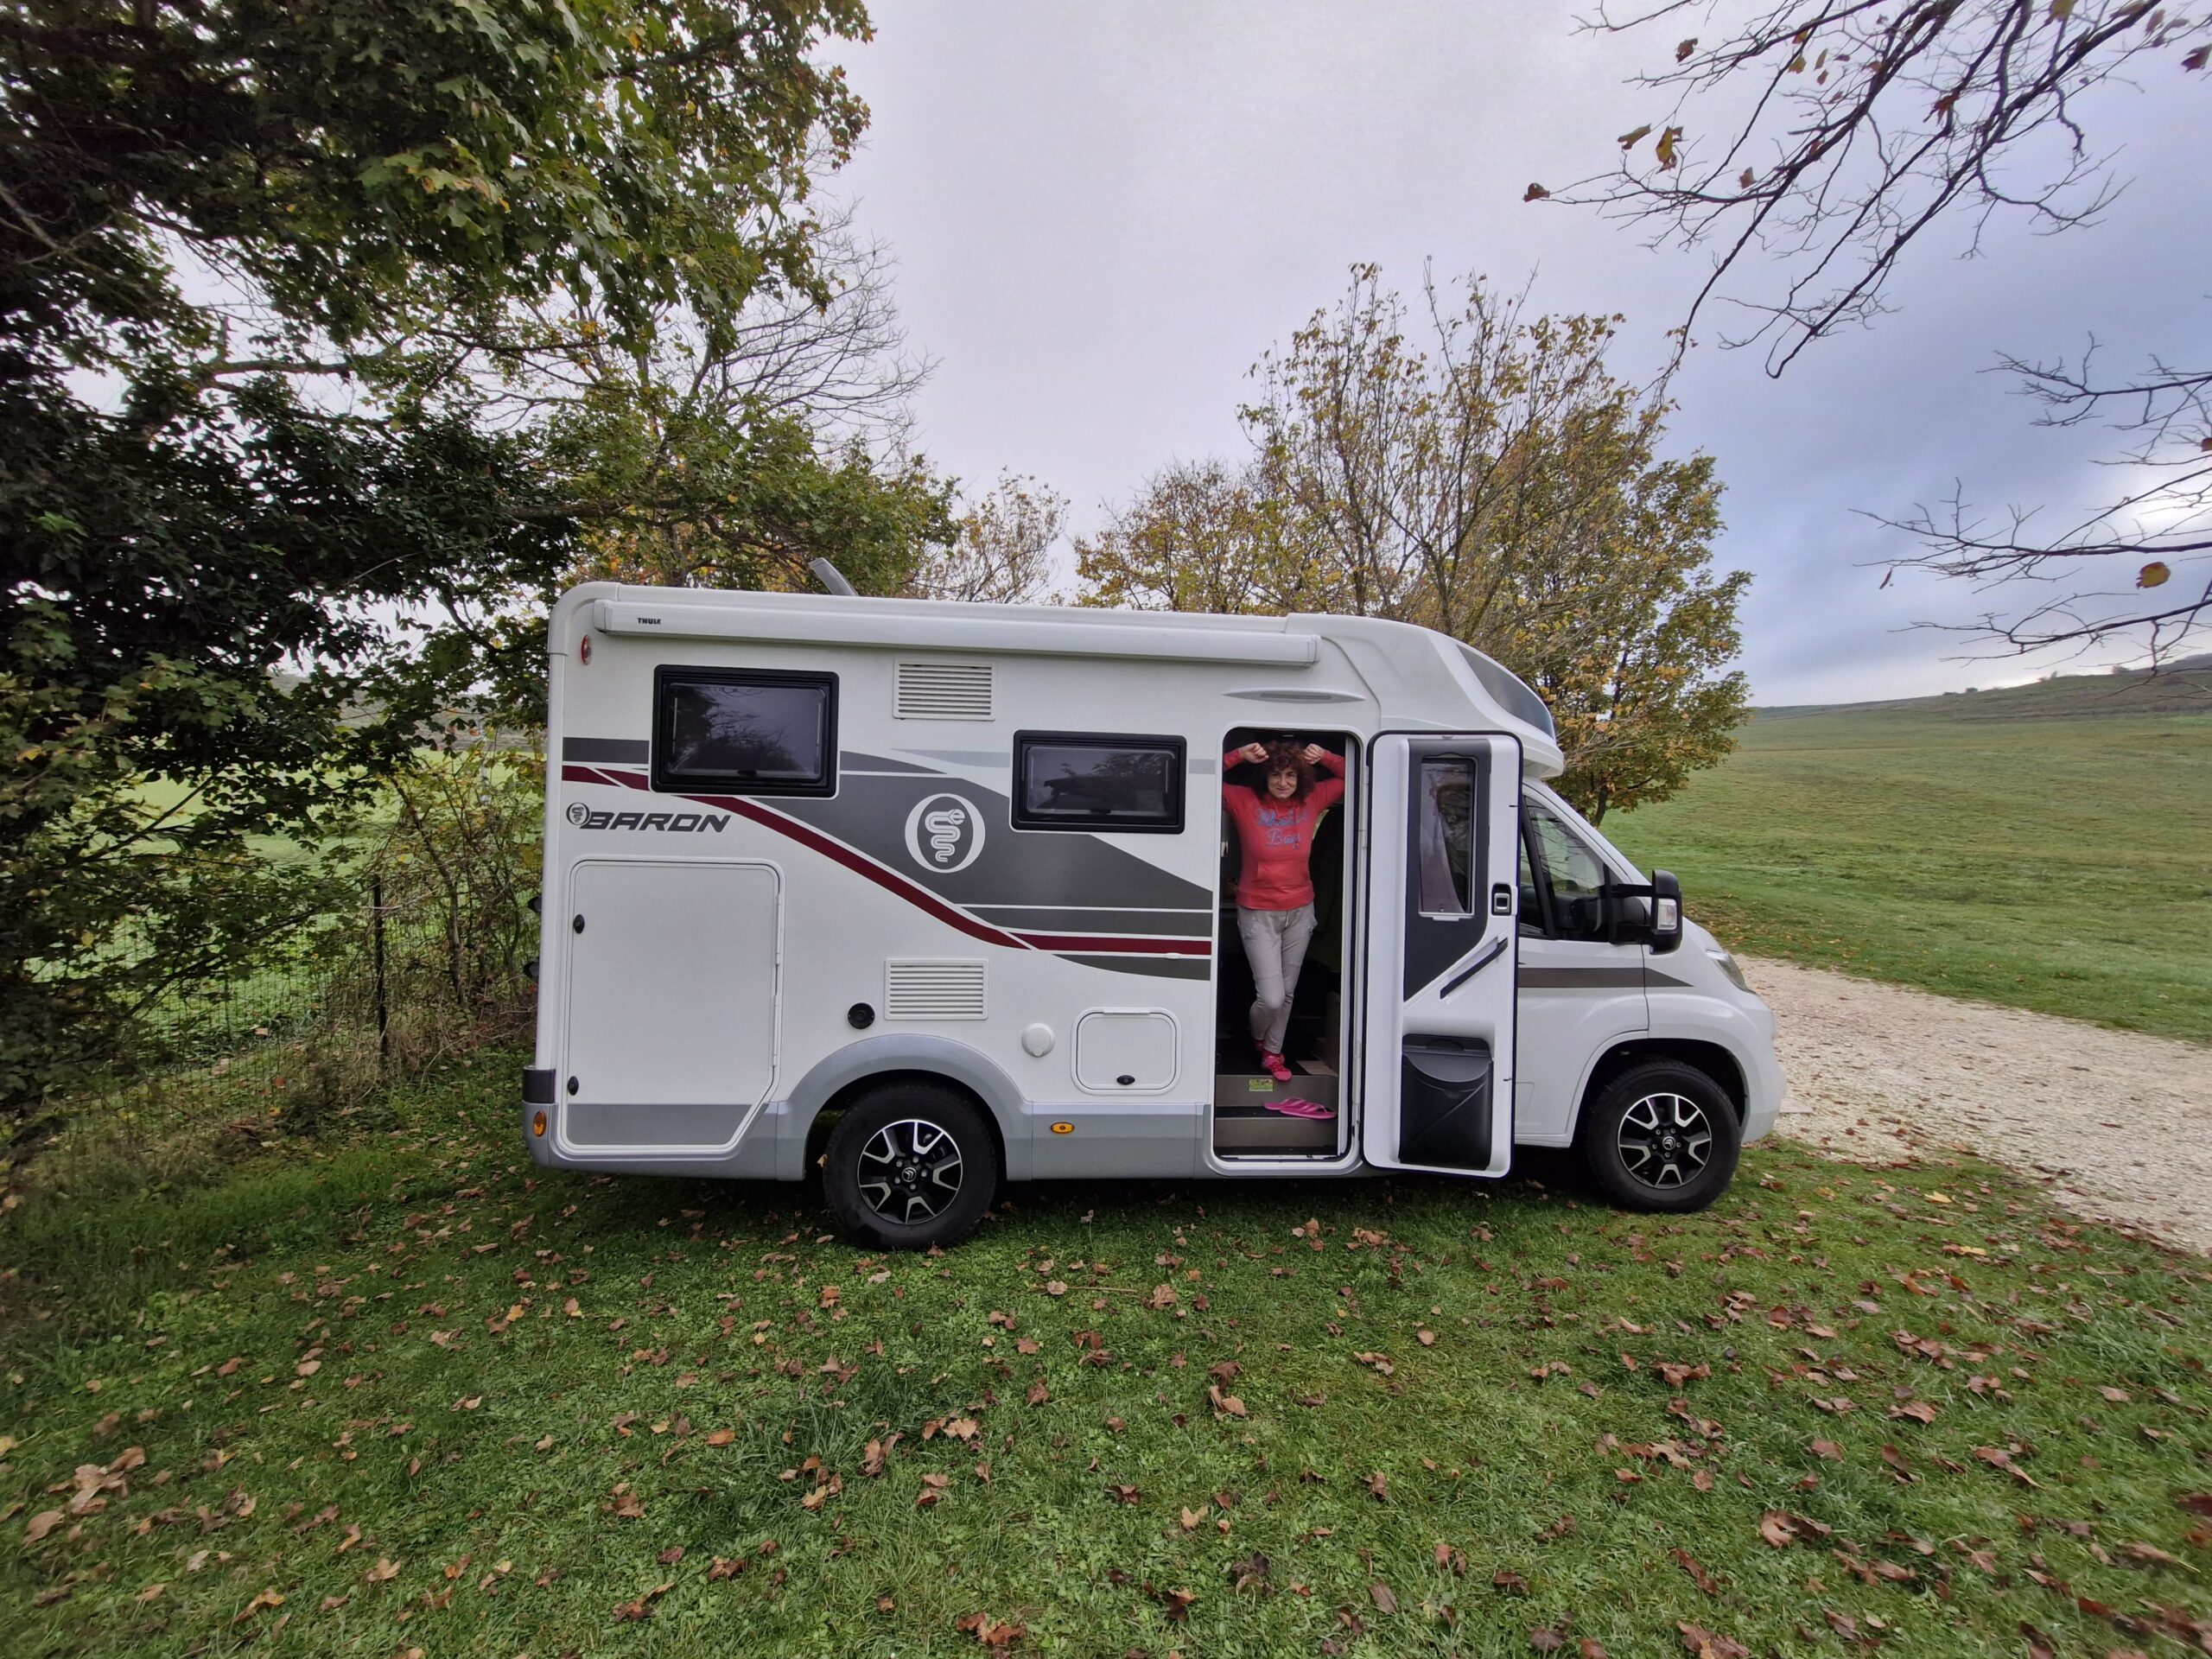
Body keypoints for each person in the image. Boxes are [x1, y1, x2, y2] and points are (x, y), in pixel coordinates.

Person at [1221, 736, 1345, 1098]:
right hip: (1258, 911)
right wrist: (1238, 755)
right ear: (1264, 777)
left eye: (1291, 775)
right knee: (1271, 997)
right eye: (1276, 775)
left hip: (1300, 909)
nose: (1283, 782)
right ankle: (1258, 1037)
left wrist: (1326, 756)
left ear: (1300, 779)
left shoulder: (1311, 801)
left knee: (1288, 993)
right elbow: (1201, 778)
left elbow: (1359, 774)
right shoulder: (1243, 801)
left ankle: (1273, 1053)